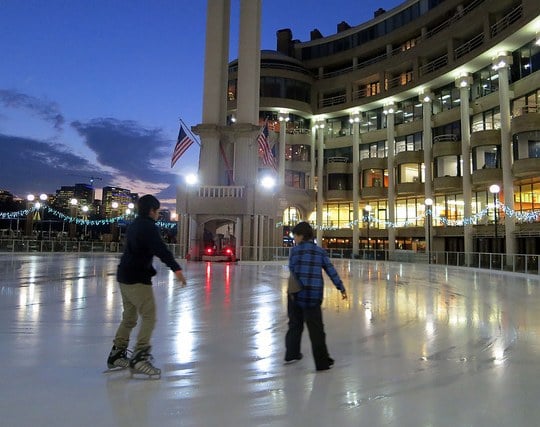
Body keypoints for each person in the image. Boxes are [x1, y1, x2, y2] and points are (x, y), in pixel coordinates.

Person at [106, 194, 186, 377]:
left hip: (124, 276)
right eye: (157, 211)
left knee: (129, 318)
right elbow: (161, 249)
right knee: (149, 316)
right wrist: (177, 269)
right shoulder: (148, 227)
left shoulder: (134, 225)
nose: (158, 215)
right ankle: (140, 357)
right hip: (137, 279)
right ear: (152, 210)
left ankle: (117, 353)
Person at [285, 221, 347, 371]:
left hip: (296, 295)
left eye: (295, 236)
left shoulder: (294, 251)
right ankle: (322, 362)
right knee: (317, 330)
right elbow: (330, 270)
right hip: (313, 295)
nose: (295, 239)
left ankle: (292, 354)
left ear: (301, 236)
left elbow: (292, 268)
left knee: (294, 325)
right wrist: (341, 287)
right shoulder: (320, 251)